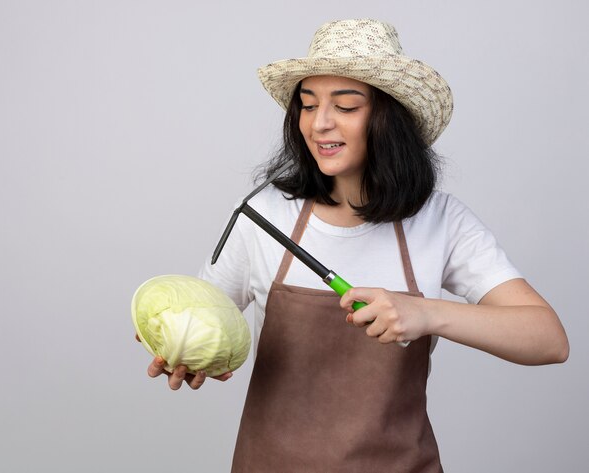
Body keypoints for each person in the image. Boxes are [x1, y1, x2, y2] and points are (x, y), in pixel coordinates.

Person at [140, 19, 569, 471]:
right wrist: (184, 351)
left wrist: (426, 314)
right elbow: (205, 318)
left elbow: (548, 341)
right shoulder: (266, 214)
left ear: (389, 117)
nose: (319, 123)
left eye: (345, 105)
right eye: (307, 106)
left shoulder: (441, 222)